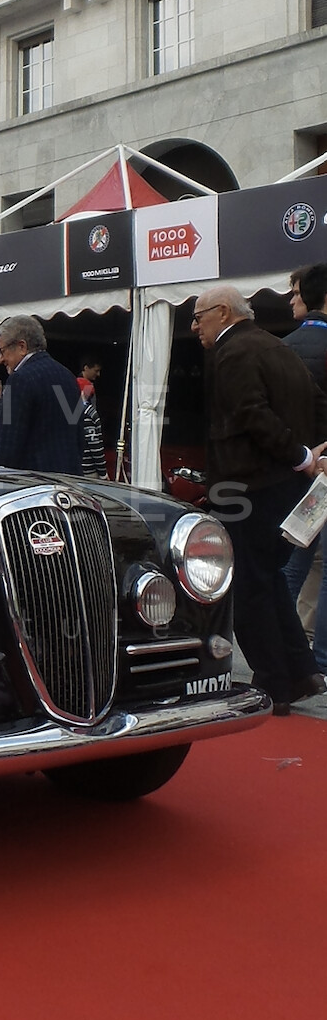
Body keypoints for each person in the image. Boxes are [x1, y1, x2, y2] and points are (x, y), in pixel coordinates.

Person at [193, 284, 327, 715]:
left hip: (246, 486)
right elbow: (318, 403)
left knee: (248, 586)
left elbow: (251, 414)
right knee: (268, 580)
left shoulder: (233, 352)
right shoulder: (276, 346)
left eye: (198, 316)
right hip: (282, 486)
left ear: (222, 312)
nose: (194, 326)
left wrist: (300, 455)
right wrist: (310, 455)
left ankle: (273, 681)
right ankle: (301, 671)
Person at [281, 262, 327, 675]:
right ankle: (321, 662)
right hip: (323, 471)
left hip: (298, 469)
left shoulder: (282, 348)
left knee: (293, 565)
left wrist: (300, 455)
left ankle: (283, 656)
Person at [0, 314, 84, 474]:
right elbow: (79, 435)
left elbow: (8, 443)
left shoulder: (18, 380)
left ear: (22, 346)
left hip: (34, 481)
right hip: (70, 478)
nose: (0, 359)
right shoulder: (68, 377)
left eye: (2, 351)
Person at [77, 359, 108, 478]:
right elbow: (94, 444)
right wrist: (103, 473)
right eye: (96, 370)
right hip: (88, 470)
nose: (98, 374)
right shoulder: (86, 413)